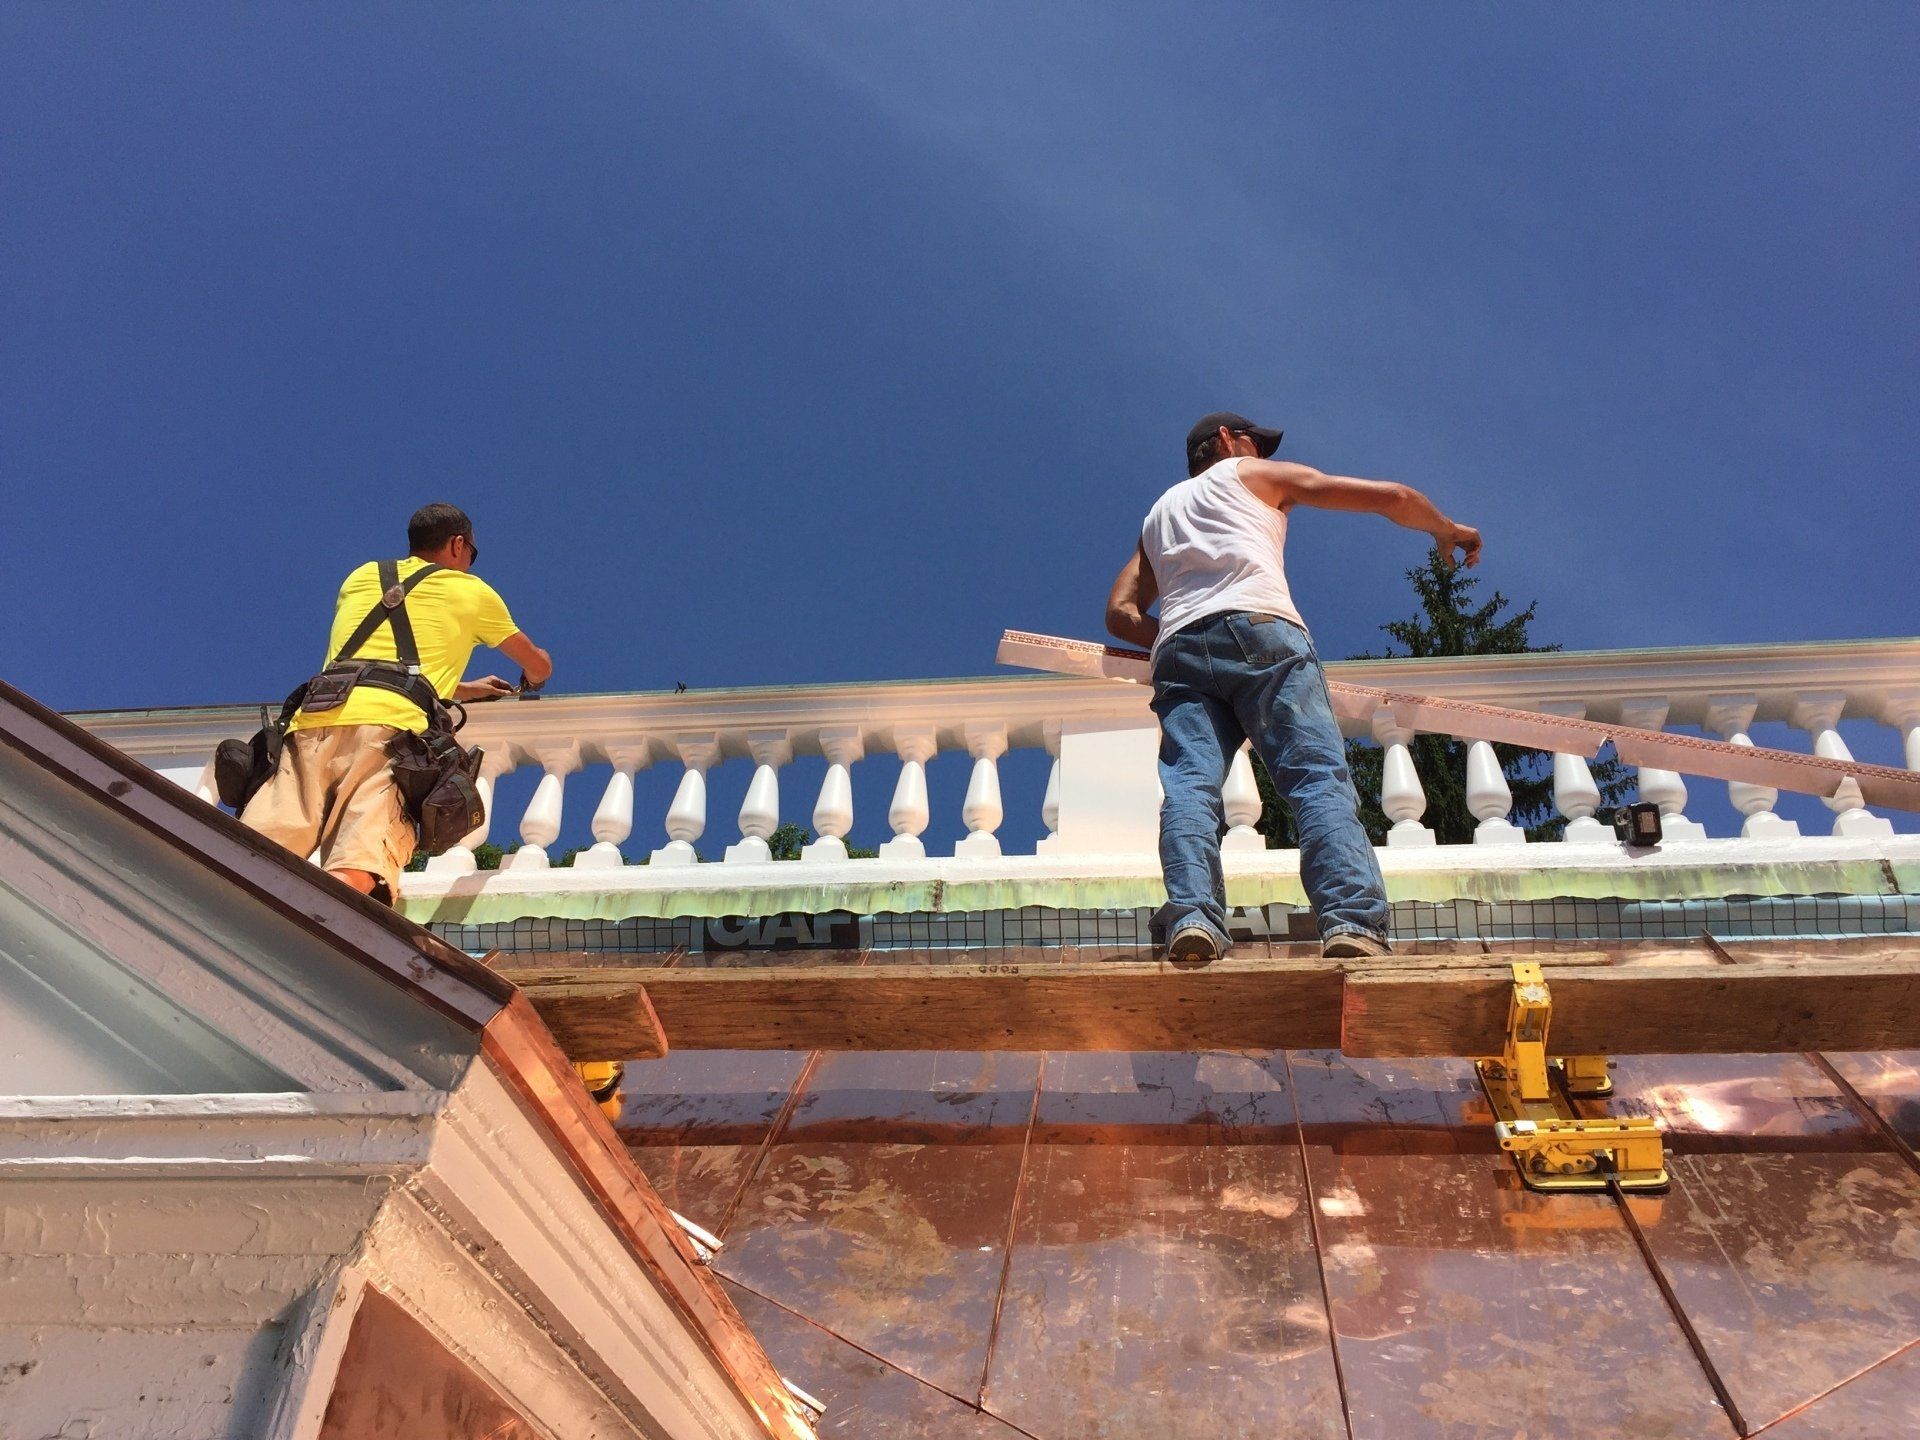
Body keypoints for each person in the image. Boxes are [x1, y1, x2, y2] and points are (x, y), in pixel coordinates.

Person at [1105, 412, 1481, 964]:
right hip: (1262, 629)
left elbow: (1120, 612)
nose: (1261, 453)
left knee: (1190, 787)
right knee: (1315, 779)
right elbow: (1392, 497)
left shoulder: (1158, 515)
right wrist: (1445, 529)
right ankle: (1351, 921)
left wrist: (1182, 631)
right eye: (1255, 442)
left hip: (1179, 650)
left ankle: (1193, 918)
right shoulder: (1251, 476)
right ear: (1227, 441)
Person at [241, 503, 553, 903]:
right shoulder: (472, 592)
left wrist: (464, 688)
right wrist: (535, 677)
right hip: (390, 734)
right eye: (472, 554)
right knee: (359, 864)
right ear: (458, 545)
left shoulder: (361, 577)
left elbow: (379, 659)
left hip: (311, 723)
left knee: (255, 853)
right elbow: (536, 662)